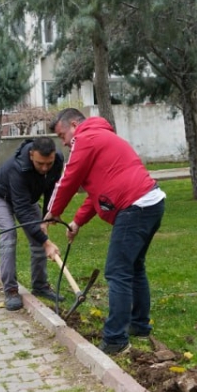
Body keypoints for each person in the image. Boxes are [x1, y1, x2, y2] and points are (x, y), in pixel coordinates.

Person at [46, 108, 165, 356]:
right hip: (151, 202)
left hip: (135, 206)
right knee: (134, 267)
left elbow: (67, 179)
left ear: (75, 124)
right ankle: (139, 325)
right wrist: (77, 222)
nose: (65, 143)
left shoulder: (86, 139)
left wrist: (52, 213)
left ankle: (115, 340)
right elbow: (98, 193)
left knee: (117, 271)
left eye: (62, 135)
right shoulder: (102, 138)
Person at [0, 136, 65, 311]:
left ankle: (40, 286)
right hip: (0, 195)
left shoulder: (57, 160)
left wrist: (47, 217)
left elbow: (52, 188)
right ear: (31, 155)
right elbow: (22, 210)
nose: (44, 168)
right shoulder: (18, 167)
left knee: (38, 236)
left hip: (25, 197)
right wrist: (46, 242)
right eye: (39, 163)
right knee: (9, 235)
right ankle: (11, 290)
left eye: (48, 164)